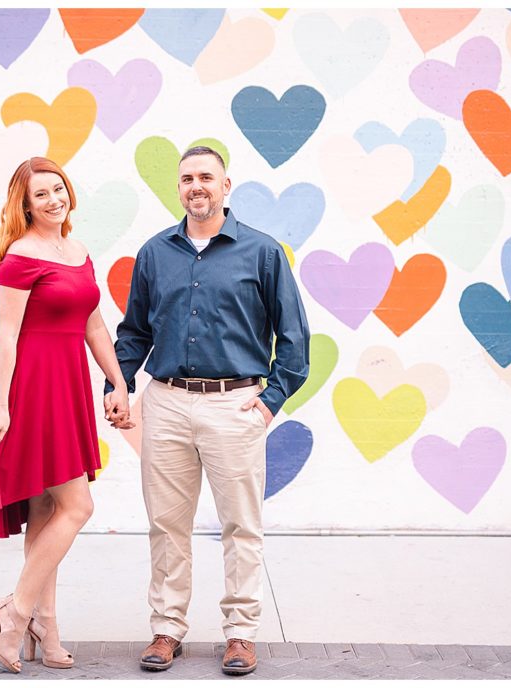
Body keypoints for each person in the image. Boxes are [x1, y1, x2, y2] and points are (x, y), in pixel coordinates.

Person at [106, 146, 310, 676]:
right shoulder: (155, 254)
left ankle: (241, 634)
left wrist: (268, 404)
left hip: (233, 404)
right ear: (179, 188)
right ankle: (167, 628)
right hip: (167, 402)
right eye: (187, 178)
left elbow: (293, 337)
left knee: (241, 525)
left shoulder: (262, 254)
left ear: (225, 187)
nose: (196, 186)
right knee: (166, 524)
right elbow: (135, 332)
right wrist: (118, 383)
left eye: (206, 177)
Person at [0, 157, 133, 673]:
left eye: (58, 188)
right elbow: (7, 338)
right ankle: (16, 612)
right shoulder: (21, 256)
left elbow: (94, 325)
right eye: (40, 194)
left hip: (69, 386)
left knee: (47, 513)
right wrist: (1, 405)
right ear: (25, 204)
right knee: (78, 506)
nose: (53, 199)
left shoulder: (79, 251)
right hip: (36, 390)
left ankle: (47, 626)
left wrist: (117, 379)